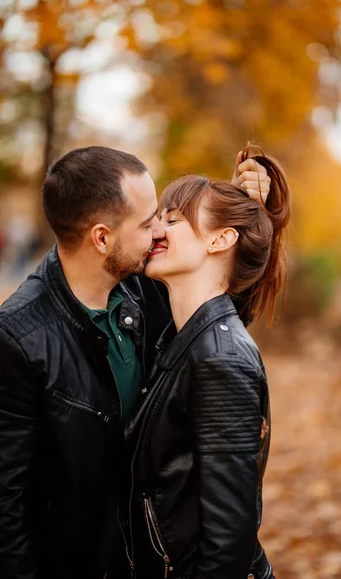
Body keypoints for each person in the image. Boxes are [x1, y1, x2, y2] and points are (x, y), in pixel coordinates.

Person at [0, 145, 270, 579]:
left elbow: (215, 302)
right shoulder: (18, 337)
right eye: (148, 223)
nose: (159, 231)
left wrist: (239, 211)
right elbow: (7, 505)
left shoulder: (143, 288)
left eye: (164, 217)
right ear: (102, 238)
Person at [125, 146, 290, 579]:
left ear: (221, 240)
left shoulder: (220, 359)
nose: (156, 230)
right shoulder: (180, 337)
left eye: (172, 219)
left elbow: (228, 541)